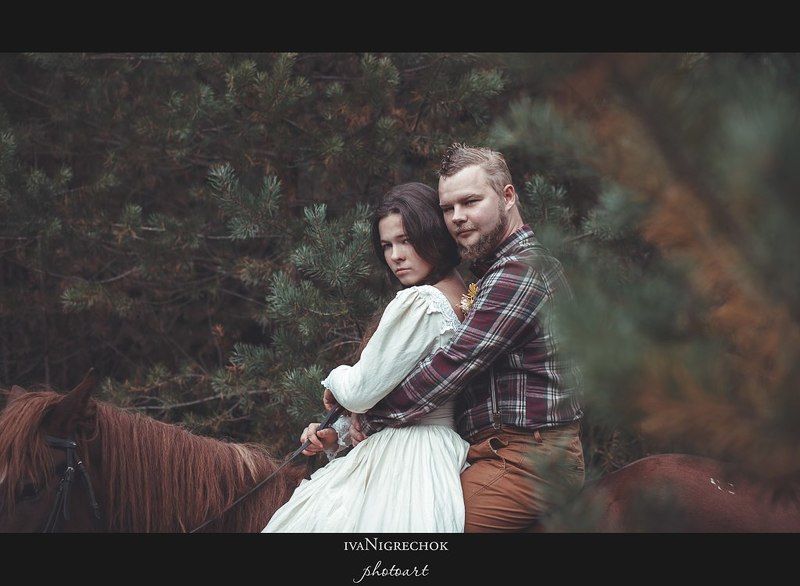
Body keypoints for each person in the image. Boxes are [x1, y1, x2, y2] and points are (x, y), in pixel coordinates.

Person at [349, 144, 585, 532]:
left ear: (508, 197)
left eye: (470, 201)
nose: (457, 217)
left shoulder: (521, 271)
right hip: (490, 452)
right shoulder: (491, 275)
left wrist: (366, 412)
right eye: (447, 208)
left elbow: (453, 364)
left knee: (430, 532)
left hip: (530, 460)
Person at [262, 182, 471, 532]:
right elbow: (404, 391)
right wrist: (338, 434)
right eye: (387, 245)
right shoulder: (461, 294)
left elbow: (360, 390)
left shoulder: (422, 302)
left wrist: (334, 378)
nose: (395, 256)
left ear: (434, 235)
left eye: (406, 240)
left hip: (408, 456)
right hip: (441, 451)